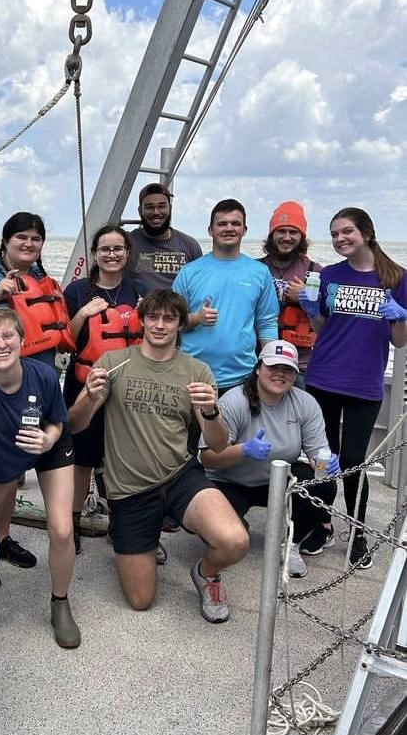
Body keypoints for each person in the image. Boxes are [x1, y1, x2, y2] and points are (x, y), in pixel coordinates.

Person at [68, 289, 249, 623]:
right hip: (130, 490)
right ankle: (145, 539)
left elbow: (218, 444)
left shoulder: (198, 371)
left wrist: (210, 412)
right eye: (153, 317)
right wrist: (87, 398)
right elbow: (75, 426)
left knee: (235, 540)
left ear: (180, 324)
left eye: (169, 318)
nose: (160, 325)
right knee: (140, 600)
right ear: (143, 320)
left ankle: (206, 573)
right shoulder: (113, 362)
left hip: (181, 477)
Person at [0, 308, 81, 647]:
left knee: (62, 528)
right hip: (1, 452)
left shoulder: (45, 375)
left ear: (23, 340)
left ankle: (60, 602)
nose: (1, 343)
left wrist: (49, 438)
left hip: (49, 446)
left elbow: (57, 423)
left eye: (9, 335)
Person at [298, 207, 407, 567]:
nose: (340, 239)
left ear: (367, 233)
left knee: (353, 461)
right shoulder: (329, 275)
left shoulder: (397, 278)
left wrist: (402, 317)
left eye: (347, 232)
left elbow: (400, 341)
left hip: (364, 383)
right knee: (322, 460)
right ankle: (321, 522)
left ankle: (357, 532)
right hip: (323, 377)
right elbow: (322, 329)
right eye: (334, 234)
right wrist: (312, 309)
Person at [199, 341, 339, 578]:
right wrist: (243, 450)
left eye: (287, 369)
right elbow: (207, 458)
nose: (280, 374)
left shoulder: (305, 403)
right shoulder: (234, 401)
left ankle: (291, 543)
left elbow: (318, 454)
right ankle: (233, 525)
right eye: (273, 367)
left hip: (277, 481)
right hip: (229, 481)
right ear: (258, 368)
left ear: (296, 374)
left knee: (324, 485)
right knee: (220, 535)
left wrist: (326, 464)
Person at [62, 224, 140, 551]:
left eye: (118, 248)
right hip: (84, 385)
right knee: (82, 458)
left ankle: (122, 523)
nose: (111, 254)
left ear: (127, 253)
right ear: (95, 253)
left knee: (120, 457)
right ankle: (74, 520)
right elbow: (64, 340)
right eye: (105, 249)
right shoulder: (77, 291)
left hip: (124, 386)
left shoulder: (138, 291)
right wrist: (82, 313)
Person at [173, 198, 279, 393]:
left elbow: (267, 323)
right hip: (191, 375)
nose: (229, 228)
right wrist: (196, 318)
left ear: (245, 230)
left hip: (242, 378)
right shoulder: (189, 272)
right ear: (210, 230)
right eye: (222, 224)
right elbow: (171, 322)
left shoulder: (259, 272)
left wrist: (271, 364)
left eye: (235, 223)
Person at [0, 211, 73, 368]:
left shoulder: (41, 277)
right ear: (6, 241)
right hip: (0, 377)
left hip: (44, 376)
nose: (29, 244)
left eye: (36, 239)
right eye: (21, 237)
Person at [259, 201, 322, 383]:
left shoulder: (316, 272)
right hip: (260, 360)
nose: (287, 237)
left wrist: (306, 298)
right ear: (272, 235)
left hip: (300, 365)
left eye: (293, 232)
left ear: (301, 237)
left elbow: (328, 320)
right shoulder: (255, 268)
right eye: (281, 231)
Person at [125, 183, 202, 294]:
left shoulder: (190, 245)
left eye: (161, 206)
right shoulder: (128, 242)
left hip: (180, 310)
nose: (156, 212)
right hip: (141, 309)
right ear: (140, 211)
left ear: (169, 209)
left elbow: (199, 286)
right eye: (149, 207)